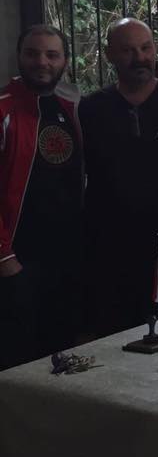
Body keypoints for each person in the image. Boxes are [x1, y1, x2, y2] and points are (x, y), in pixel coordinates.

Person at [81, 18, 158, 337]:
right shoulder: (91, 110)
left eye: (146, 48)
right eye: (128, 50)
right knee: (110, 339)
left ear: (156, 50)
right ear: (109, 54)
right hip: (108, 251)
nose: (139, 57)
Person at [1, 25, 83, 369]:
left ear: (65, 60)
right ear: (19, 57)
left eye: (52, 54)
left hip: (67, 260)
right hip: (17, 263)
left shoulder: (72, 108)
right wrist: (5, 258)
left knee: (62, 356)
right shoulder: (4, 110)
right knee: (17, 362)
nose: (42, 62)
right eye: (33, 53)